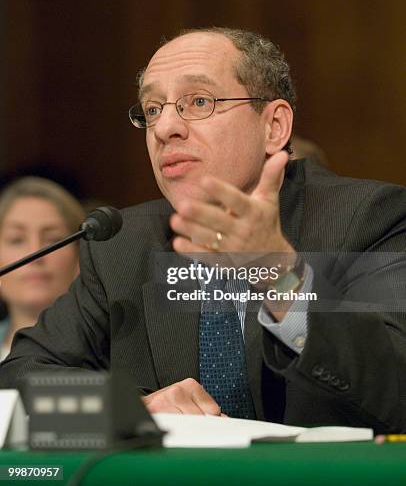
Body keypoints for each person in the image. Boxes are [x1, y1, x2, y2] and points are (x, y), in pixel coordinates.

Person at [0, 28, 405, 432]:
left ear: (274, 126)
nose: (164, 129)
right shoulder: (122, 245)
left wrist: (279, 273)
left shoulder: (366, 217)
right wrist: (130, 411)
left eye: (199, 101)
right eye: (153, 109)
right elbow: (17, 382)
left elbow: (395, 387)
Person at [0, 177, 85, 360]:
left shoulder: (109, 353)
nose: (35, 253)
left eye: (53, 239)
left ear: (79, 257)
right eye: (17, 239)